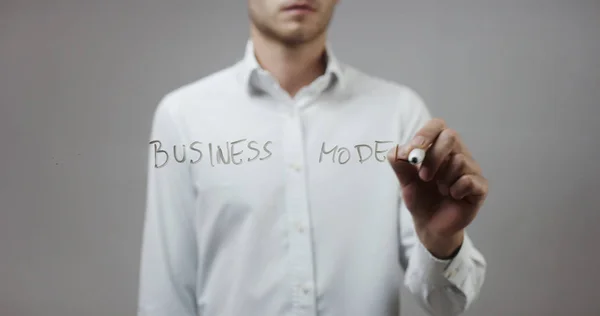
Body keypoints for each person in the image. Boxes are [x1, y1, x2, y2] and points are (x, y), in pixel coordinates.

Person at [137, 1, 488, 315]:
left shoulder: (398, 112)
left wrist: (440, 241)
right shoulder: (182, 117)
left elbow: (448, 305)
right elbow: (165, 298)